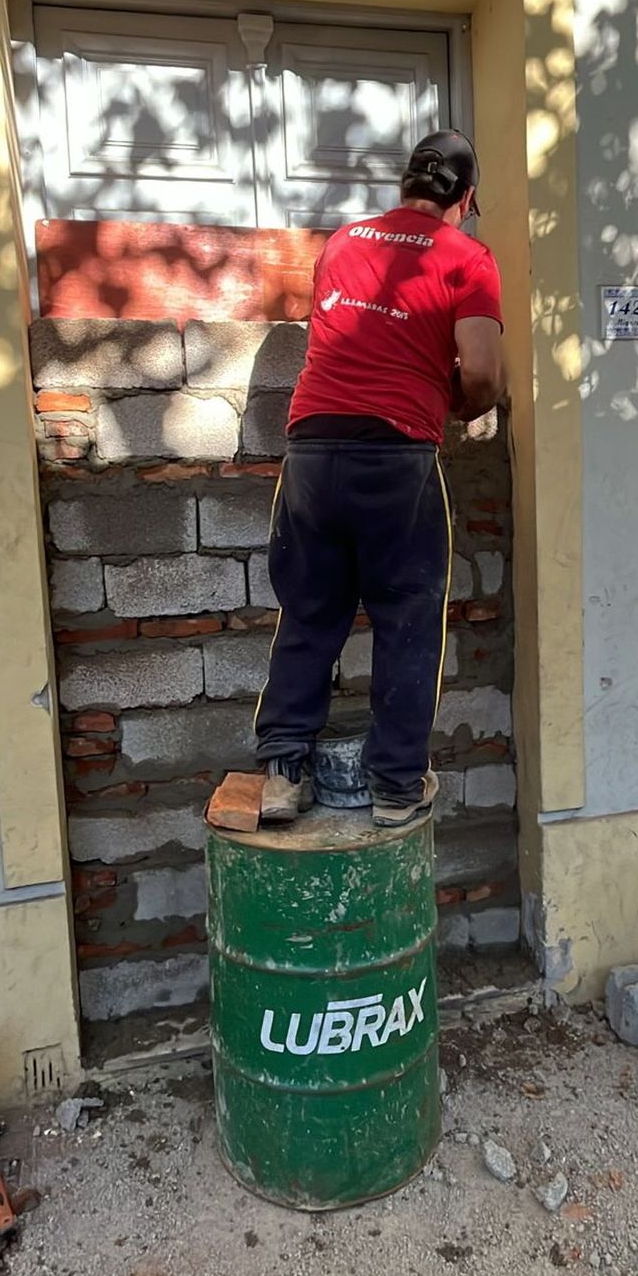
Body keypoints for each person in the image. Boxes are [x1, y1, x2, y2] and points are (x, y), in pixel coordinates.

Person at [253, 129, 505, 827]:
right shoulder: (469, 256)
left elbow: (338, 341)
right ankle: (395, 789)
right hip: (398, 459)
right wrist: (459, 405)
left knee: (308, 614)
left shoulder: (341, 242)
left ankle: (280, 774)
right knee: (408, 616)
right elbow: (483, 373)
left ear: (404, 188)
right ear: (467, 199)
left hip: (311, 452)